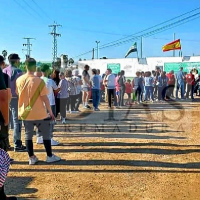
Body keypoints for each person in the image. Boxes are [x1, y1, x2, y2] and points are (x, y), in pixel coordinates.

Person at [16, 58, 61, 165]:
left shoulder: (19, 80)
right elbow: (45, 98)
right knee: (45, 135)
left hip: (25, 112)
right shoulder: (39, 81)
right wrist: (50, 112)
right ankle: (49, 156)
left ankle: (31, 157)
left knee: (28, 135)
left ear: (25, 66)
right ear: (35, 67)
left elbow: (19, 94)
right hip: (40, 113)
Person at [3, 54, 26, 152]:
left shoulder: (4, 70)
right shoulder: (19, 71)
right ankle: (17, 144)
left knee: (6, 122)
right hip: (16, 98)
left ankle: (6, 143)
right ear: (16, 61)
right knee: (17, 121)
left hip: (4, 98)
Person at [36, 64, 60, 146]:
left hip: (40, 104)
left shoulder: (38, 80)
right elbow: (56, 90)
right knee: (50, 121)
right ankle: (50, 138)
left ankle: (39, 137)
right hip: (50, 103)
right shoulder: (50, 81)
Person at [0, 56, 12, 152]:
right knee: (3, 136)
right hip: (1, 111)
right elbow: (4, 97)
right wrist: (6, 119)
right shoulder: (3, 76)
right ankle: (3, 156)